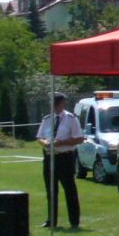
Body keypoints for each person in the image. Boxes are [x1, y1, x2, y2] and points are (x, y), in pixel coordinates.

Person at [36, 92, 83, 229]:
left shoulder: (71, 119)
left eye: (57, 103)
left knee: (70, 190)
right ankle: (51, 220)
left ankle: (74, 221)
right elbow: (39, 137)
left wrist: (61, 143)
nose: (54, 106)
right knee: (51, 190)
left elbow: (79, 138)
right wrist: (45, 143)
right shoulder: (47, 119)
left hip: (65, 157)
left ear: (62, 104)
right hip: (49, 157)